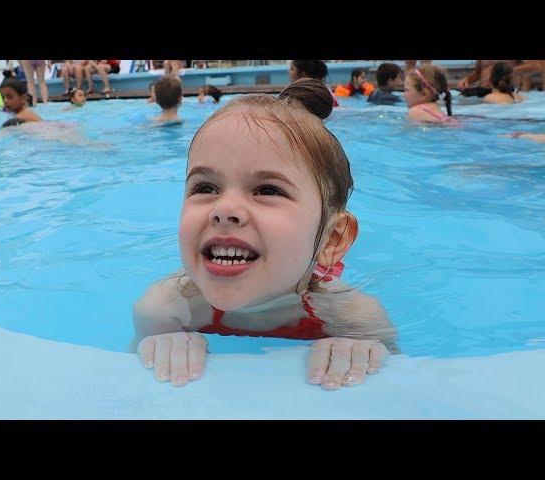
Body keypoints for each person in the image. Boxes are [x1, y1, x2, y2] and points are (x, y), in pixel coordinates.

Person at [132, 78, 396, 389]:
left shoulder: (354, 318)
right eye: (205, 187)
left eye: (267, 190)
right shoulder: (166, 311)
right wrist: (160, 346)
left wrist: (359, 351)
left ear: (332, 239)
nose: (224, 208)